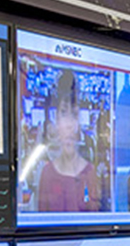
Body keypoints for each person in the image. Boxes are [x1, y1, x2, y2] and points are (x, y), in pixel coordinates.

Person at [28, 69, 105, 214]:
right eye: (64, 113)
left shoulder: (90, 173)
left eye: (74, 114)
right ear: (56, 118)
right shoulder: (47, 174)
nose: (69, 124)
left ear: (79, 121)